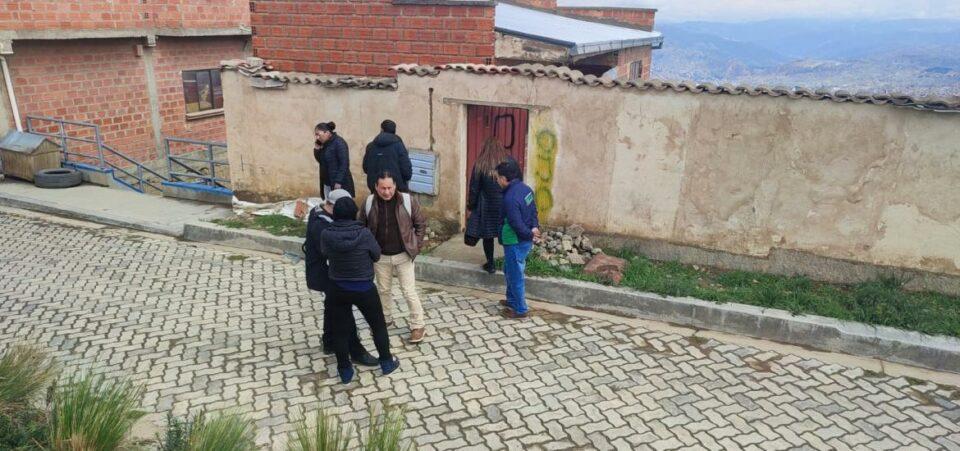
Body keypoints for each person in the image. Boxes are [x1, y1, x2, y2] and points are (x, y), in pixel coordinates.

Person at [320, 197, 400, 384]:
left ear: (335, 214)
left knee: (340, 330)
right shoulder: (364, 234)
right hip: (364, 287)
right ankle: (386, 362)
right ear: (354, 213)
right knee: (378, 326)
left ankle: (345, 371)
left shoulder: (326, 234)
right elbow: (376, 254)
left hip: (338, 288)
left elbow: (324, 253)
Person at [302, 189, 378, 366]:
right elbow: (332, 251)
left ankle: (329, 341)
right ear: (333, 206)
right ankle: (356, 351)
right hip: (328, 273)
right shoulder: (321, 224)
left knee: (332, 307)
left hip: (331, 271)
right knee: (344, 313)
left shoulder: (319, 213)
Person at [359, 171, 428, 343]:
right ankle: (385, 319)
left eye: (390, 187)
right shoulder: (369, 203)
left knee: (409, 291)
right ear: (376, 187)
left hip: (404, 255)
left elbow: (420, 224)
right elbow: (361, 226)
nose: (387, 192)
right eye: (383, 188)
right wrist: (368, 249)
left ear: (395, 186)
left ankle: (418, 325)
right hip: (380, 256)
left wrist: (416, 245)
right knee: (383, 291)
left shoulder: (408, 201)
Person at [496, 159, 541, 319]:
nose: (497, 180)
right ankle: (512, 300)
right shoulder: (526, 190)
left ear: (504, 178)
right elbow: (533, 210)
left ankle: (520, 309)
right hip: (521, 239)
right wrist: (534, 226)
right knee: (509, 269)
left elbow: (516, 223)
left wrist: (530, 234)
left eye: (498, 177)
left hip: (515, 241)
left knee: (515, 275)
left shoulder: (510, 198)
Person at [467, 137, 513, 274]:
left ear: (485, 149)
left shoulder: (480, 164)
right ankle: (509, 264)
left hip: (487, 207)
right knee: (506, 234)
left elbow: (474, 188)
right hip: (504, 205)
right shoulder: (507, 164)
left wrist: (471, 205)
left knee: (488, 237)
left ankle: (491, 265)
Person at [362, 119, 412, 193]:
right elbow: (407, 172)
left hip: (376, 189)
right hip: (396, 190)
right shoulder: (399, 146)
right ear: (394, 131)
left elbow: (365, 168)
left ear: (381, 130)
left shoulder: (370, 146)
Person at [313, 121, 356, 198]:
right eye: (316, 135)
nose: (317, 137)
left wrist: (338, 181)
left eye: (318, 134)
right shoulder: (324, 144)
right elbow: (321, 161)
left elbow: (344, 164)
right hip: (326, 183)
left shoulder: (339, 143)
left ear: (327, 133)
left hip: (338, 183)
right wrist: (316, 149)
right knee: (328, 203)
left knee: (339, 204)